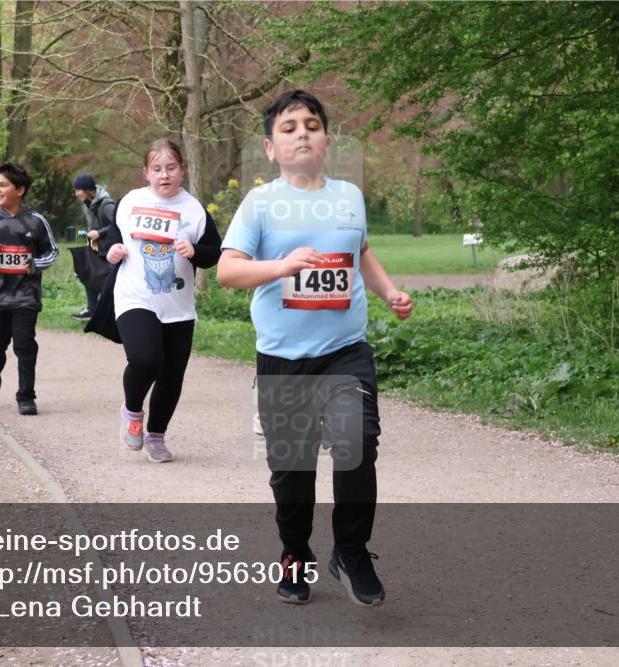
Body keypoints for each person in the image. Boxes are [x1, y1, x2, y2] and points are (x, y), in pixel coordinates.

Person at [217, 90, 413, 606]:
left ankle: (350, 550)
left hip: (345, 352)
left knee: (357, 444)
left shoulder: (349, 196)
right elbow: (228, 271)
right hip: (283, 359)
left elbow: (361, 251)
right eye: (288, 128)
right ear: (270, 148)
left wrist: (389, 291)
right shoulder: (260, 204)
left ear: (327, 140)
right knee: (292, 471)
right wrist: (281, 267)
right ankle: (295, 552)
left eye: (311, 125)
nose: (302, 133)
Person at [103, 139, 222, 463]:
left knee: (172, 373)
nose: (164, 175)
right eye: (157, 169)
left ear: (182, 170)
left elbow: (214, 252)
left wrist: (195, 251)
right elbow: (113, 234)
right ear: (146, 172)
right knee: (145, 360)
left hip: (178, 305)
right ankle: (132, 411)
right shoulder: (130, 201)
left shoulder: (194, 209)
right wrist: (112, 250)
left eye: (171, 168)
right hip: (135, 296)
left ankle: (156, 436)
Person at [0, 162, 58, 415]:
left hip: (26, 295)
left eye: (3, 185)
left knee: (24, 344)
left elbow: (52, 252)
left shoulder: (36, 221)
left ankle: (26, 396)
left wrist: (35, 264)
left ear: (20, 190)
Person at [71, 172, 116, 320]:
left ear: (87, 190)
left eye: (78, 190)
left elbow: (119, 224)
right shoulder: (85, 204)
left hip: (111, 249)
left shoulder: (106, 205)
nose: (76, 194)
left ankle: (109, 312)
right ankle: (91, 309)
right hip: (96, 246)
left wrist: (99, 233)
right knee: (85, 271)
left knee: (104, 279)